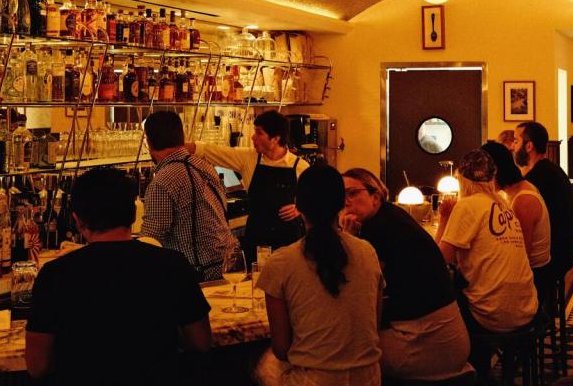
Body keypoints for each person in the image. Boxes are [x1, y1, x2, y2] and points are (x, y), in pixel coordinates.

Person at [25, 167, 213, 385]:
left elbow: (37, 366)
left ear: (77, 219)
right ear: (134, 214)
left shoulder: (54, 275)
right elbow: (201, 342)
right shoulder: (173, 265)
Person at [254, 164, 384, 386]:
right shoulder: (367, 252)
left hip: (313, 379)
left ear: (298, 205)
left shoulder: (281, 262)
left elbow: (282, 349)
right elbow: (375, 322)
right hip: (369, 377)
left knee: (259, 366)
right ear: (342, 202)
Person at [340, 167, 471, 381]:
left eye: (353, 193)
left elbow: (356, 289)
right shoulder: (391, 216)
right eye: (341, 194)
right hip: (451, 338)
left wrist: (348, 239)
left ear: (375, 196)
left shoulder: (378, 231)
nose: (345, 200)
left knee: (340, 357)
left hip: (428, 343)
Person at [436, 149, 540, 377]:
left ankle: (471, 374)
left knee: (443, 303)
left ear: (461, 180)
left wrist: (444, 217)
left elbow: (440, 260)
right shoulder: (504, 204)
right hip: (526, 309)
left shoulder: (468, 205)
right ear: (492, 178)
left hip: (492, 314)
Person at [186, 110, 309, 260]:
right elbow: (207, 151)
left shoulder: (300, 167)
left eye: (259, 133)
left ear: (276, 138)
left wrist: (300, 209)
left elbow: (318, 203)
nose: (252, 137)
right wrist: (175, 147)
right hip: (257, 240)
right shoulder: (249, 159)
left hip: (289, 244)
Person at [140, 110, 238, 281]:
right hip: (229, 263)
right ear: (181, 135)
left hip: (197, 274)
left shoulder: (163, 181)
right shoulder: (204, 166)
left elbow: (151, 240)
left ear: (148, 141)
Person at [513, 121, 573, 303]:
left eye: (516, 141)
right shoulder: (553, 170)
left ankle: (522, 320)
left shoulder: (535, 181)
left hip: (553, 258)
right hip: (565, 253)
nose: (512, 146)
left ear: (529, 146)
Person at [482, 140, 551, 272]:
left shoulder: (523, 200)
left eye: (483, 174)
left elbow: (521, 254)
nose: (482, 181)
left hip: (535, 274)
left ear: (494, 171)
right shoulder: (511, 191)